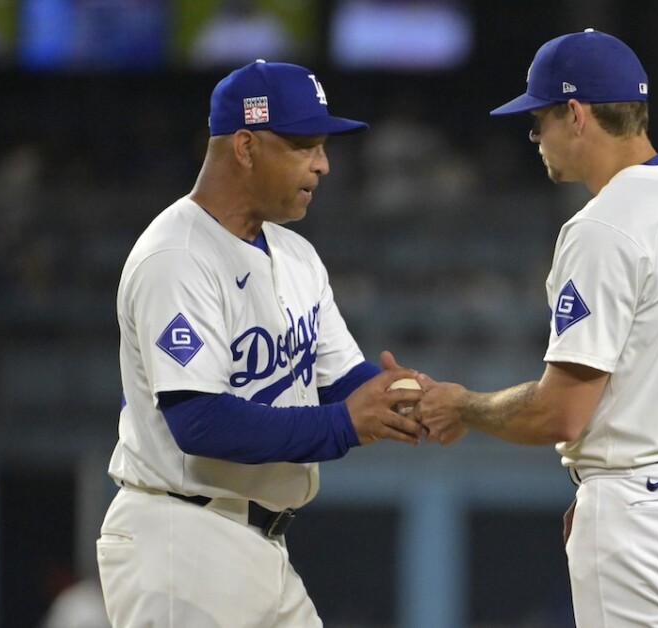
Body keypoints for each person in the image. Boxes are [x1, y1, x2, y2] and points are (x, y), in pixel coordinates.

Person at [416, 29, 658, 627]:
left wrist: (462, 406)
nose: (533, 137)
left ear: (576, 114)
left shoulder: (605, 224)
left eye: (538, 120)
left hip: (647, 510)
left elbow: (560, 413)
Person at [96, 60, 425, 627]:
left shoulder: (295, 254)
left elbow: (340, 378)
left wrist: (411, 397)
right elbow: (199, 422)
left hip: (263, 545)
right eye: (304, 145)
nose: (323, 164)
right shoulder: (176, 256)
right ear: (245, 147)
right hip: (181, 538)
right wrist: (346, 424)